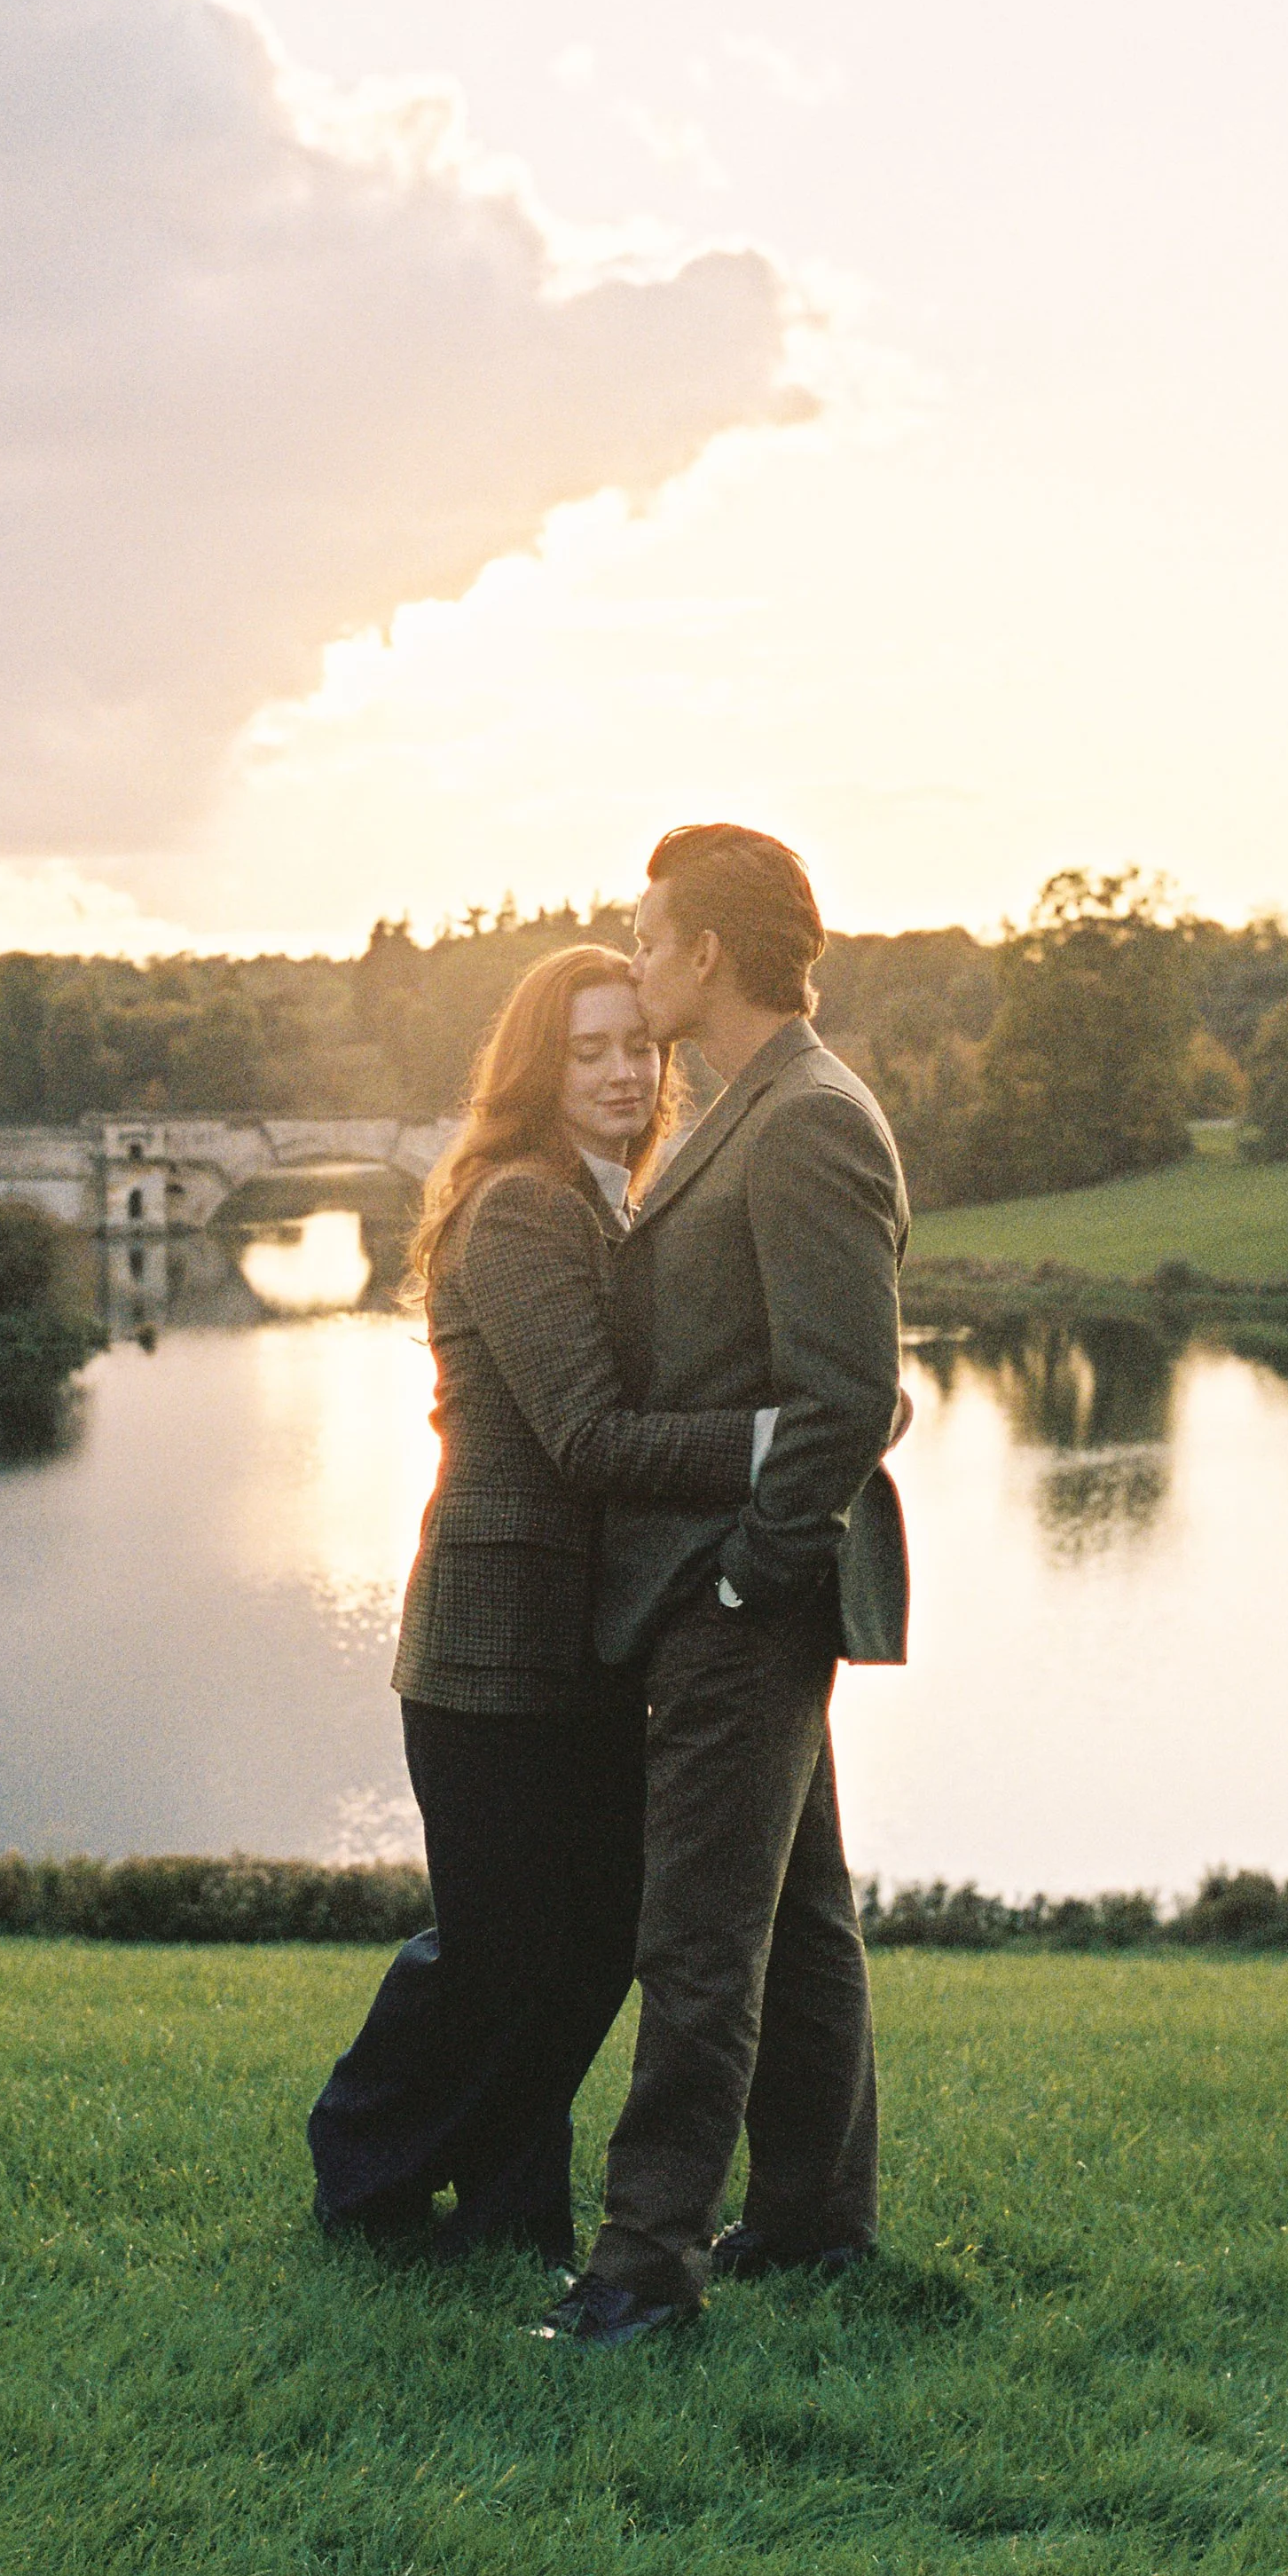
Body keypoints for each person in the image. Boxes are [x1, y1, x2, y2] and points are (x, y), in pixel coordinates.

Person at [307, 943, 761, 2267]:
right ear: (539, 1068)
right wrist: (783, 1438)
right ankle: (362, 2160)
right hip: (492, 1641)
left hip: (578, 1642)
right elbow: (591, 1438)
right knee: (508, 1953)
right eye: (592, 1050)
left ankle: (511, 2219)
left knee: (564, 1948)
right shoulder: (522, 1206)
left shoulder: (597, 1198)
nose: (627, 1069)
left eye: (640, 1045)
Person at [537, 823, 909, 2350]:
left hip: (741, 1596)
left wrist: (751, 1589)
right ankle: (818, 2215)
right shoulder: (755, 1103)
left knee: (697, 1932)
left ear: (708, 953)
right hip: (738, 1587)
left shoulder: (808, 1118)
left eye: (647, 935)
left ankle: (643, 2270)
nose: (632, 960)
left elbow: (844, 1392)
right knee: (803, 1912)